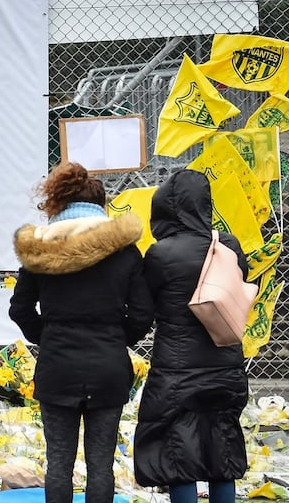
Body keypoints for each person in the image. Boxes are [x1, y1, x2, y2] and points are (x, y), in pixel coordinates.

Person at [8, 162, 153, 503]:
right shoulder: (125, 251)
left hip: (57, 366)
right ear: (102, 206)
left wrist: (46, 336)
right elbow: (144, 312)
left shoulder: (40, 251)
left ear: (58, 202)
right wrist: (119, 339)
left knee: (58, 462)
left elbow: (19, 309)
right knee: (101, 465)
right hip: (109, 366)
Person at [133, 169, 250, 503]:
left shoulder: (161, 253)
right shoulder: (227, 245)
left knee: (176, 452)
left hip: (176, 369)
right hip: (226, 363)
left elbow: (145, 305)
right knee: (222, 449)